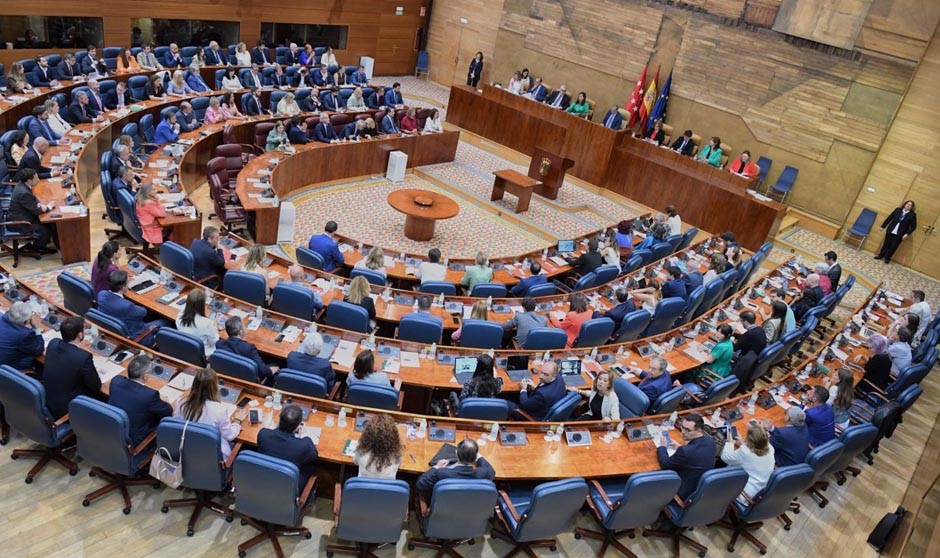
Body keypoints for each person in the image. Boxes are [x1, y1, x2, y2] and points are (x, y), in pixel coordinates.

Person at [174, 368, 241, 460]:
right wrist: (237, 422)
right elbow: (229, 436)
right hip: (214, 457)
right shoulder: (220, 410)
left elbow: (176, 425)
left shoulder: (181, 403)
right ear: (214, 387)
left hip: (188, 450)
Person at [42, 316, 100, 419]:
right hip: (67, 407)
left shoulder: (53, 342)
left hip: (48, 397)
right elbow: (95, 386)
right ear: (80, 334)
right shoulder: (83, 357)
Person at [108, 354, 173, 444]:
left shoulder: (116, 381)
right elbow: (168, 411)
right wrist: (164, 400)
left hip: (112, 430)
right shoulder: (149, 395)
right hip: (135, 439)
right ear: (145, 376)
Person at [256, 404, 318, 492]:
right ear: (298, 426)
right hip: (287, 489)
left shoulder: (263, 434)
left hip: (263, 480)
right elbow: (314, 456)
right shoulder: (304, 445)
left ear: (279, 419)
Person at [656, 414, 715, 499]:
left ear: (698, 431)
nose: (683, 432)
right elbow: (695, 455)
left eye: (687, 430)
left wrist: (662, 447)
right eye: (682, 427)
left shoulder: (685, 451)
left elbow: (665, 465)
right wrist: (681, 447)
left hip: (681, 492)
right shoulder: (710, 441)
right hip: (698, 488)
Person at [416, 438, 495, 499]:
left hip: (443, 510)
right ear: (475, 458)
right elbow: (491, 470)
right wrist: (479, 457)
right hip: (470, 510)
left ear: (456, 453)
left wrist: (436, 467)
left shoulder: (442, 473)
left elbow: (420, 484)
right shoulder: (484, 473)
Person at [721, 423, 775, 503]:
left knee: (724, 470)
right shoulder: (770, 448)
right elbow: (754, 453)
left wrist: (730, 443)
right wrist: (742, 443)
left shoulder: (745, 452)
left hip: (746, 495)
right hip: (760, 490)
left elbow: (725, 457)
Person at [217, 317, 277, 385]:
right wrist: (271, 370)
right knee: (278, 362)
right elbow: (264, 371)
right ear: (240, 332)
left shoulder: (219, 344)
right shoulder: (248, 348)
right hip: (248, 381)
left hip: (229, 374)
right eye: (244, 327)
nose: (245, 328)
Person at [10, 168, 57, 252]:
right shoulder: (23, 192)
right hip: (20, 222)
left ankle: (51, 243)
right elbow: (37, 211)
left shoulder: (22, 184)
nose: (38, 179)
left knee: (51, 223)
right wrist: (49, 206)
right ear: (29, 180)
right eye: (36, 178)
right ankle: (35, 248)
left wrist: (39, 204)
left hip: (23, 215)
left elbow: (33, 198)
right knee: (45, 231)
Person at [351, 414, 403, 479]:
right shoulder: (397, 456)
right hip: (386, 486)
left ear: (368, 435)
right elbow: (399, 465)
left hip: (362, 485)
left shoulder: (361, 452)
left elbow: (355, 462)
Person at [0, 301, 44, 371]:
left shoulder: (1, 317)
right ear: (26, 321)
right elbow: (39, 349)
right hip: (9, 368)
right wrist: (36, 328)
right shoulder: (25, 334)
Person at [175, 289, 219, 357]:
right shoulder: (207, 323)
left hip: (185, 349)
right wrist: (215, 327)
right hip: (203, 354)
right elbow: (214, 342)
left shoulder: (180, 315)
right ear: (202, 305)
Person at [876, 200, 917, 264]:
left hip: (900, 233)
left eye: (910, 205)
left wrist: (907, 234)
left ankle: (887, 258)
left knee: (893, 246)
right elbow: (889, 218)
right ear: (904, 204)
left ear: (911, 207)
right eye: (907, 204)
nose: (908, 206)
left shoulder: (912, 215)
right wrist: (883, 226)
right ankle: (880, 256)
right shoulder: (897, 210)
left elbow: (913, 226)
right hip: (891, 230)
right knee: (886, 244)